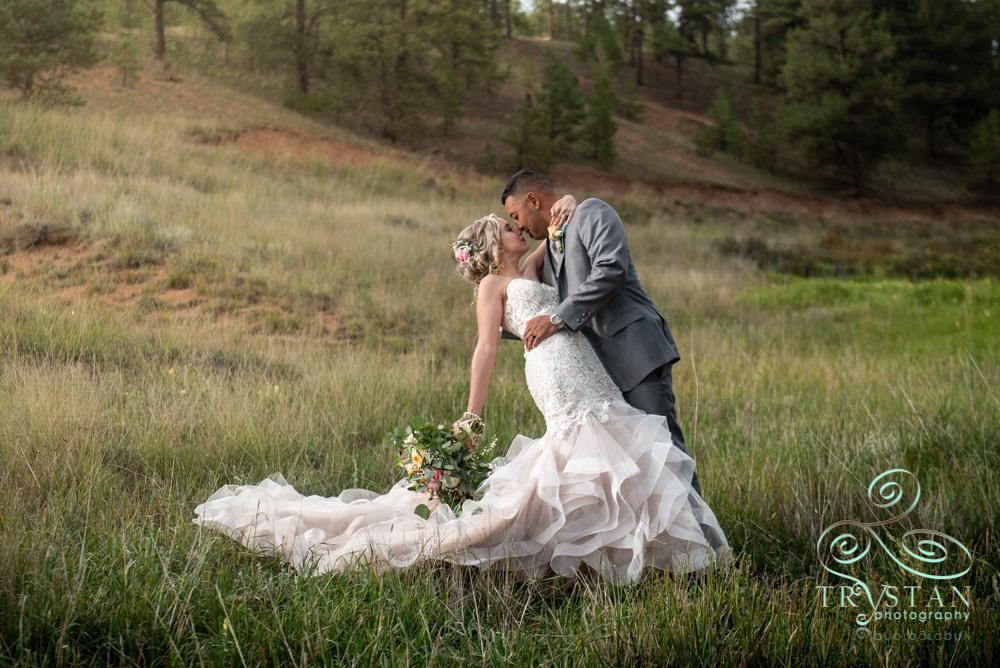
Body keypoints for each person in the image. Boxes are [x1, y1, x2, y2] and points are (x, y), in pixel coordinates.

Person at [192, 200, 731, 585]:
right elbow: (485, 350)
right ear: (494, 243)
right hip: (555, 372)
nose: (517, 228)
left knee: (615, 448)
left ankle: (643, 549)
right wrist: (472, 415)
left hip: (583, 364)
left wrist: (566, 202)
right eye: (508, 226)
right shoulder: (492, 286)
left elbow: (554, 235)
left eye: (515, 221)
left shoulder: (530, 267)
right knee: (585, 447)